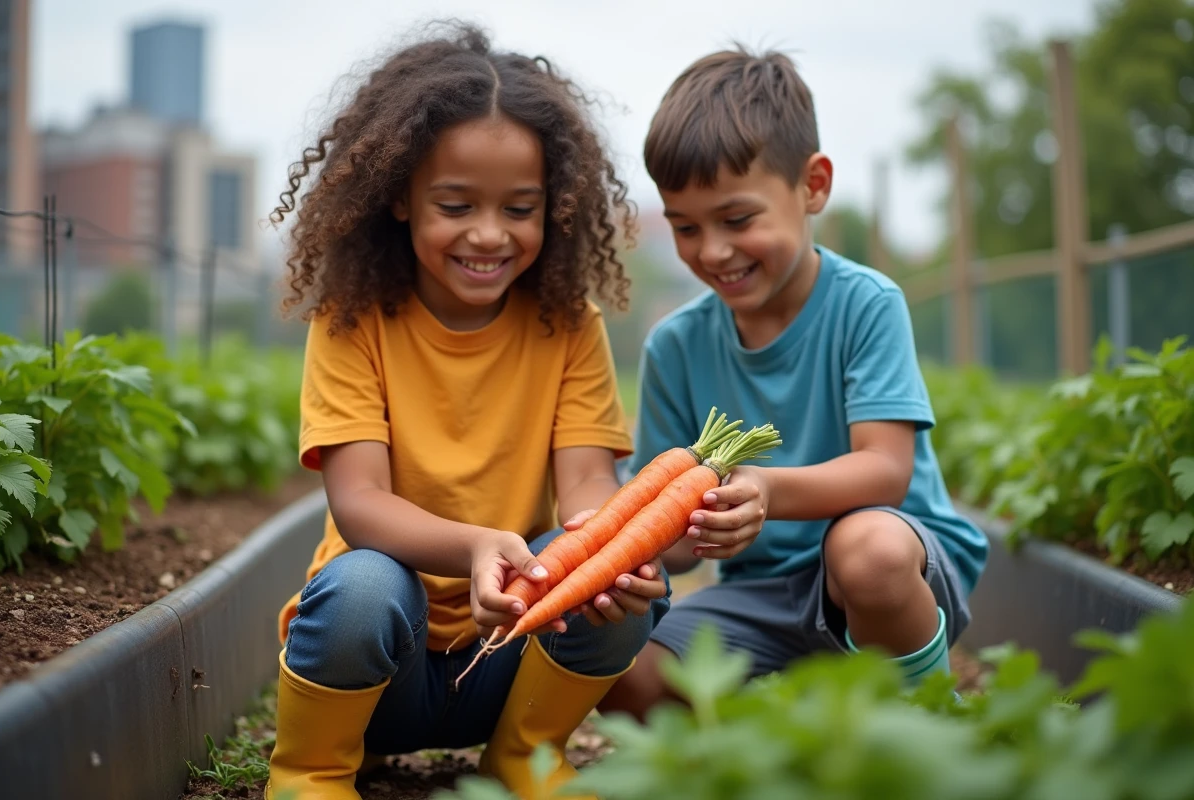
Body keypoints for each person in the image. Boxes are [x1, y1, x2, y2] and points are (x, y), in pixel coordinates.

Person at [265, 22, 670, 800]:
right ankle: (312, 769)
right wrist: (485, 544)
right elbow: (360, 506)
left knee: (610, 574)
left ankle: (525, 756)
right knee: (361, 589)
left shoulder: (569, 324)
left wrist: (605, 549)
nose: (489, 234)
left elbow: (587, 483)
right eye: (455, 205)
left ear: (553, 207)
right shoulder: (353, 320)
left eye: (519, 208)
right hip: (381, 673)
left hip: (514, 656)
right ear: (398, 199)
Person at [598, 45, 989, 721]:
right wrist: (644, 541)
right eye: (686, 228)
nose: (712, 252)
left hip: (894, 569)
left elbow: (886, 470)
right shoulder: (675, 345)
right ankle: (775, 736)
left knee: (865, 551)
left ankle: (926, 718)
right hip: (764, 593)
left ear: (812, 186)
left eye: (737, 220)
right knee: (627, 681)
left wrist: (766, 490)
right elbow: (682, 548)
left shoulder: (864, 303)